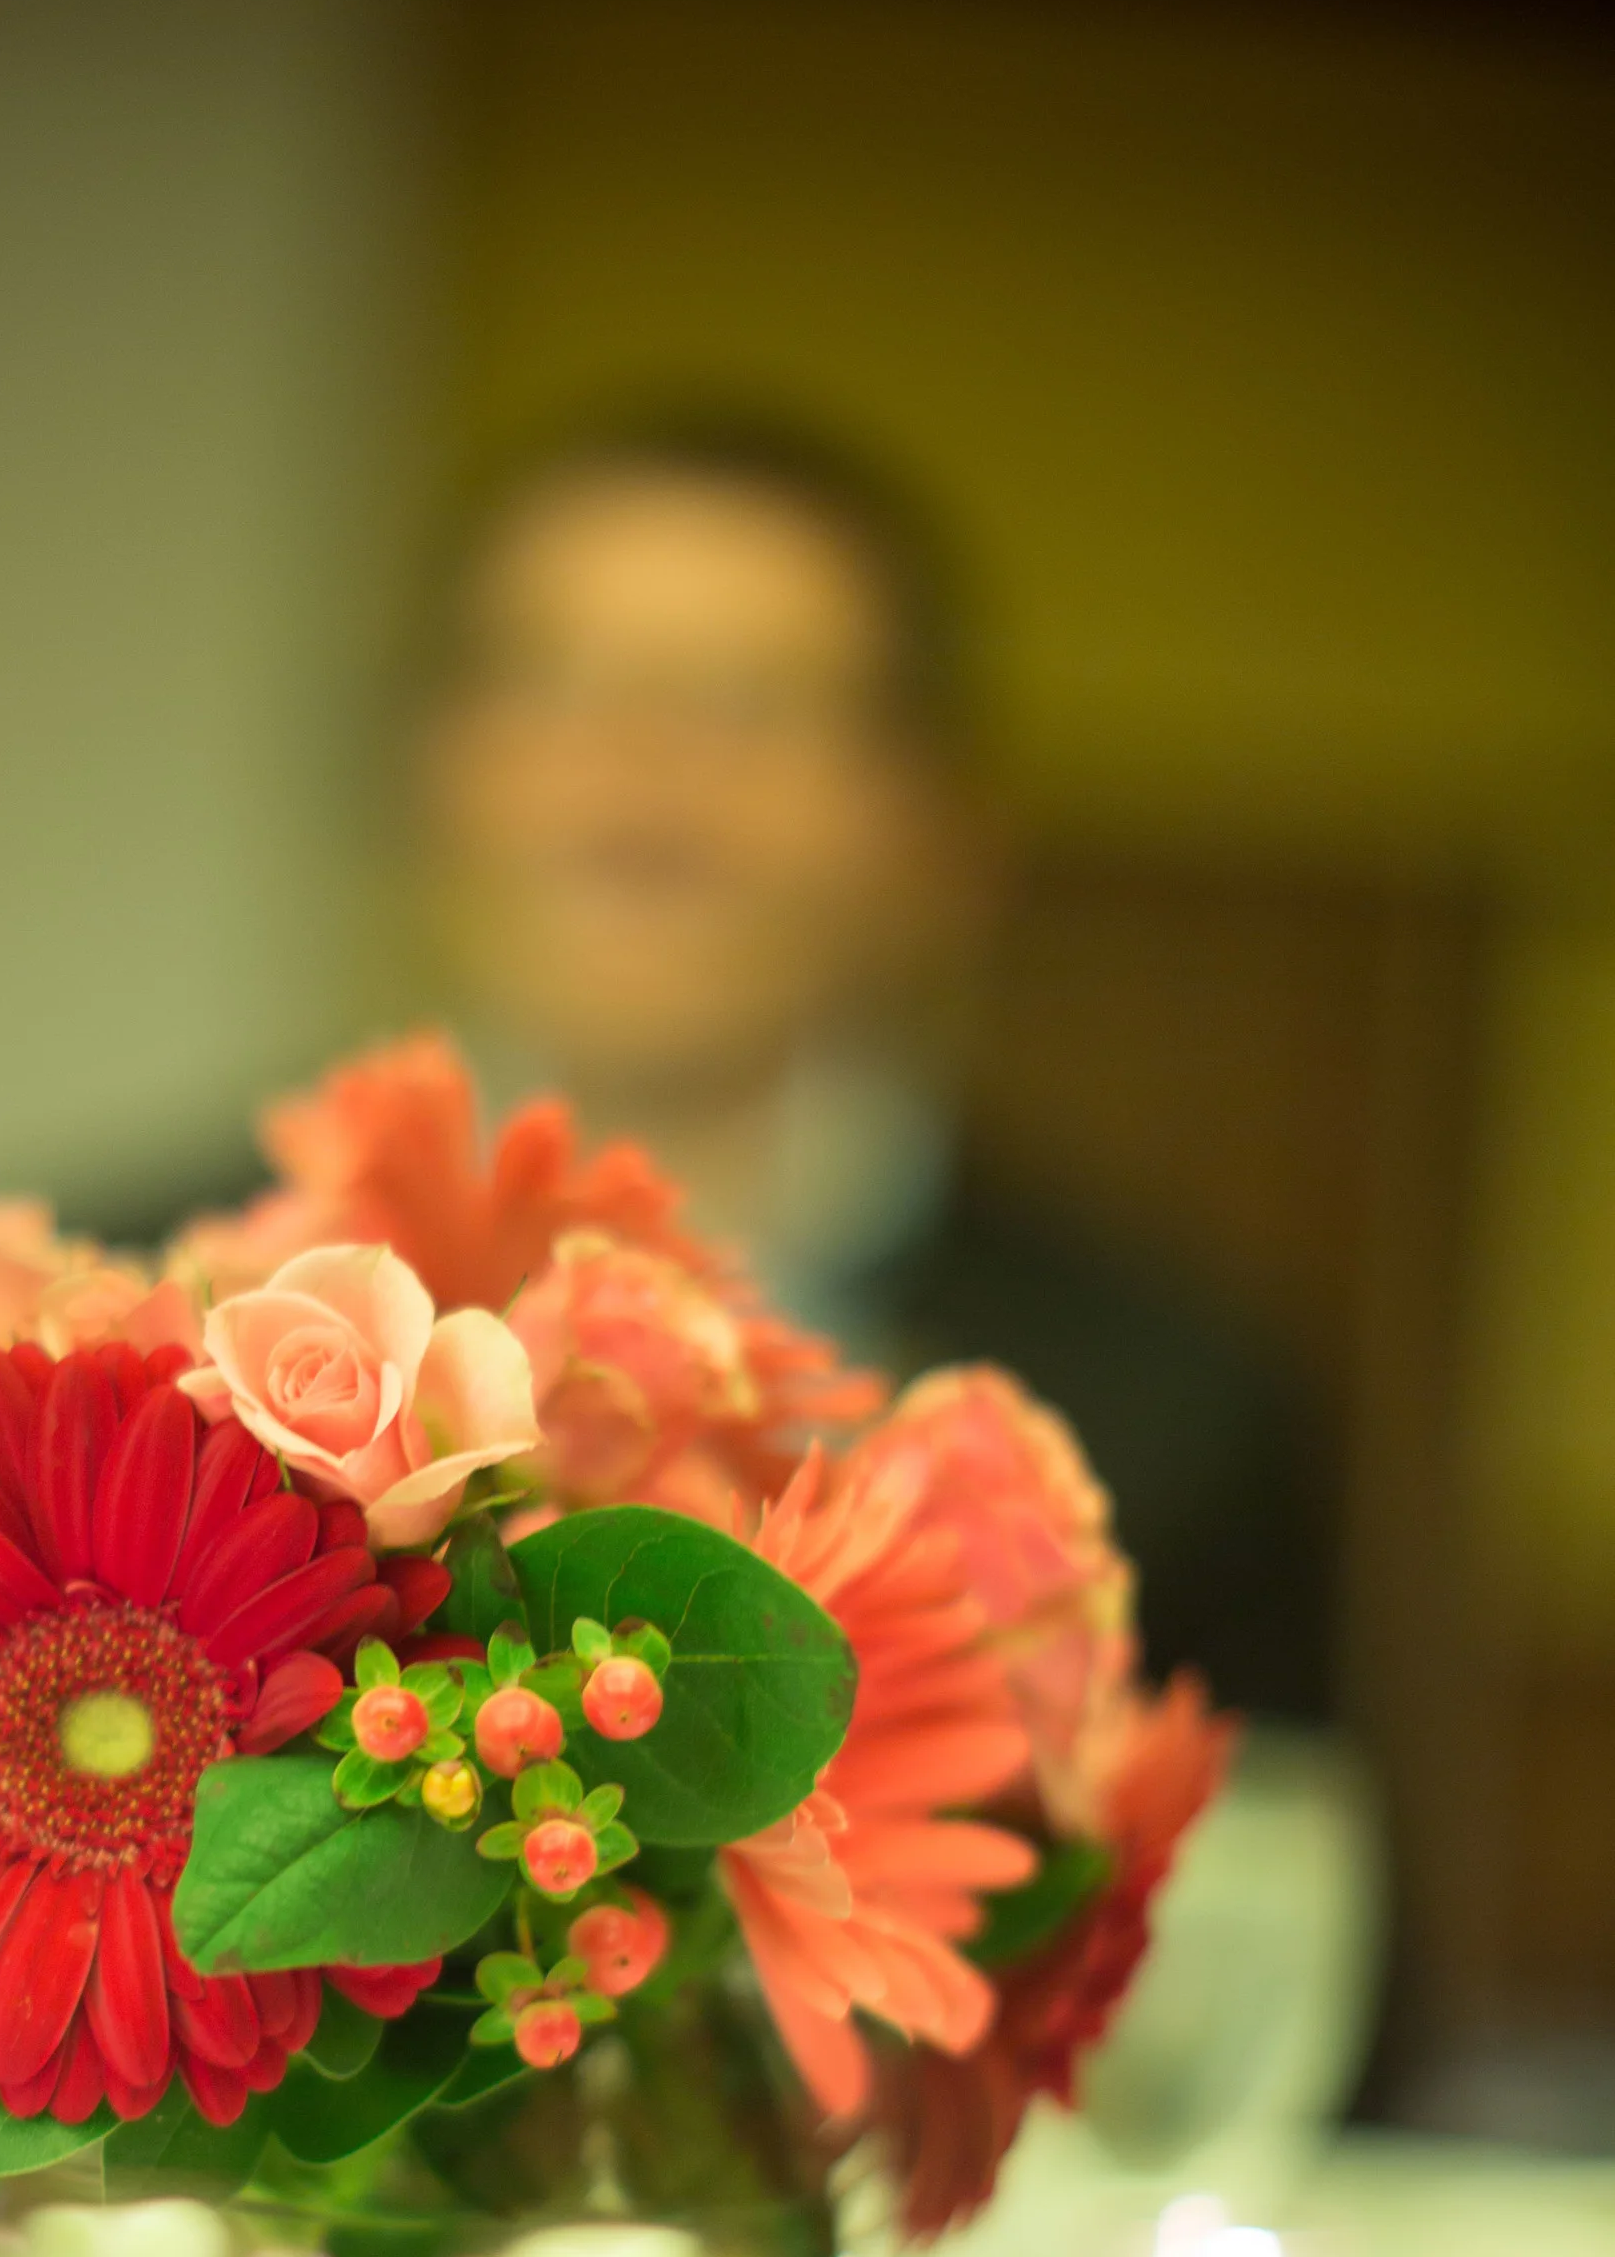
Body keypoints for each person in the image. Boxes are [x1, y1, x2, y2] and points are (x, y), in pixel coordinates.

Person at [408, 413, 1333, 1722]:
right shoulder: (149, 1307)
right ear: (436, 768)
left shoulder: (1172, 1411)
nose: (638, 771)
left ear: (931, 821)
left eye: (746, 705)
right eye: (554, 683)